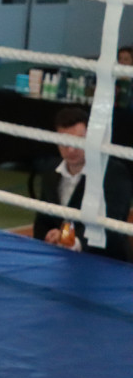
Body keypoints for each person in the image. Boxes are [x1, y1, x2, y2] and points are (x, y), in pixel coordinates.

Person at [33, 107, 132, 262]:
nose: (71, 149)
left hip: (103, 262)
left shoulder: (113, 173)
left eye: (78, 141)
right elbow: (42, 220)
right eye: (65, 142)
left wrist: (73, 241)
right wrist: (49, 236)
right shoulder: (51, 171)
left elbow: (112, 226)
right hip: (59, 259)